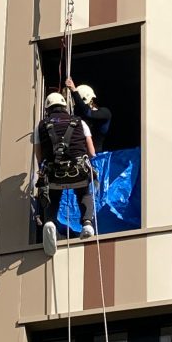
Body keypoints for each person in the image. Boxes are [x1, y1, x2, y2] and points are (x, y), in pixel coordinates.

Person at [34, 91, 96, 256]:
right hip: (78, 170)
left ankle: (50, 222)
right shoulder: (79, 122)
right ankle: (87, 223)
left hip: (55, 173)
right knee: (84, 193)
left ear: (47, 108)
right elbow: (92, 152)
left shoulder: (40, 126)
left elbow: (39, 157)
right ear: (64, 106)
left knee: (52, 196)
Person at [65, 77, 112, 152]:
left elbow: (88, 113)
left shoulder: (105, 113)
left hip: (97, 157)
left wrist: (74, 90)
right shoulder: (80, 114)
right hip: (81, 153)